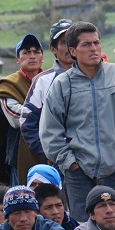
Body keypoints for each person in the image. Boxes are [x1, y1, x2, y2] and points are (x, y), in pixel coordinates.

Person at [41, 21, 115, 225]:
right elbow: (50, 131)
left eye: (96, 43)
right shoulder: (62, 85)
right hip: (79, 176)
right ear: (73, 50)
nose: (93, 49)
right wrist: (70, 164)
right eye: (86, 45)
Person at [0, 33, 44, 184]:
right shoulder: (8, 85)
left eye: (36, 52)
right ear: (17, 59)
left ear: (42, 57)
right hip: (20, 154)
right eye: (26, 52)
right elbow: (16, 119)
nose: (32, 56)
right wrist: (49, 114)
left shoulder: (53, 80)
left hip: (51, 152)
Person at [20, 19, 73, 163]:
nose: (69, 47)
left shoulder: (94, 77)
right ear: (53, 49)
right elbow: (27, 123)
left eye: (72, 41)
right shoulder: (43, 81)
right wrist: (52, 155)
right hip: (61, 164)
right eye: (63, 42)